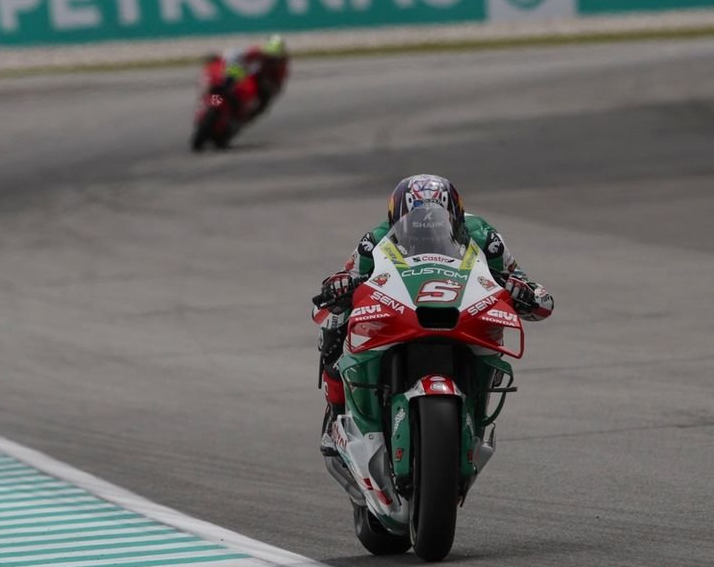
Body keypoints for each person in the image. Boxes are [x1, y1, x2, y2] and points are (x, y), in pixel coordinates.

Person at [315, 174, 555, 456]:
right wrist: (339, 286)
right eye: (414, 222)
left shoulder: (483, 236)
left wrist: (524, 291)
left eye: (439, 221)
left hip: (461, 311)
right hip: (402, 309)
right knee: (334, 319)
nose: (426, 230)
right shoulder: (375, 240)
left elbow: (534, 292)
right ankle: (336, 412)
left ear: (457, 218)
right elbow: (340, 281)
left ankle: (473, 412)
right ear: (396, 220)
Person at [220, 34, 289, 120]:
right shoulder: (257, 51)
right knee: (225, 84)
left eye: (274, 58)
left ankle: (242, 118)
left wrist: (271, 88)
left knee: (263, 104)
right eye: (268, 56)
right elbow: (238, 57)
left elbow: (279, 84)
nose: (270, 60)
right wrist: (234, 63)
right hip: (246, 75)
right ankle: (215, 102)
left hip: (260, 84)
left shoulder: (282, 66)